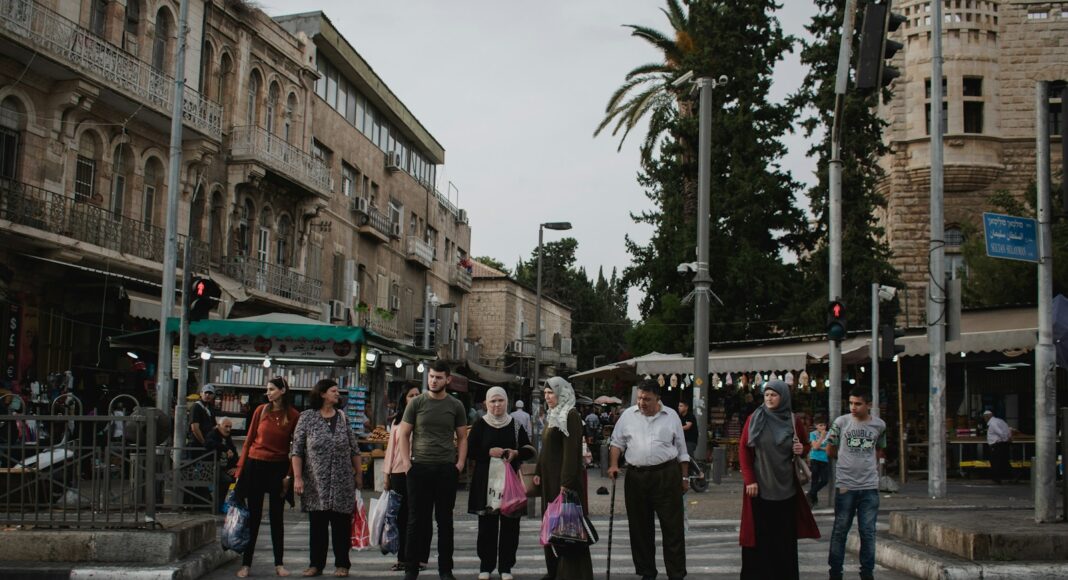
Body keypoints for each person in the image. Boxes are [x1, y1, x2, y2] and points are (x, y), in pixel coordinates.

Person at [393, 361, 468, 580]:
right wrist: (407, 464)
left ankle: (445, 570)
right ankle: (411, 569)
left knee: (445, 522)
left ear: (448, 380)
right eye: (431, 377)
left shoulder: (455, 405)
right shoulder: (416, 403)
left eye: (438, 377)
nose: (433, 380)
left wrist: (460, 464)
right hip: (419, 468)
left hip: (446, 469)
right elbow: (403, 435)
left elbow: (462, 437)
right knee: (416, 520)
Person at [738, 379, 820, 580]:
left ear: (783, 397)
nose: (769, 398)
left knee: (783, 541)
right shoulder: (754, 418)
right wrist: (750, 480)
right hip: (759, 488)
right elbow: (744, 451)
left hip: (786, 489)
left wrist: (802, 449)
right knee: (759, 540)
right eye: (766, 394)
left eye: (774, 394)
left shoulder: (793, 421)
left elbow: (805, 444)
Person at [608, 379, 689, 580]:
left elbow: (682, 450)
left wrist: (685, 476)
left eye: (647, 399)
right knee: (639, 527)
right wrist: (613, 464)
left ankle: (676, 573)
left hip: (666, 475)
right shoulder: (628, 415)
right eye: (639, 398)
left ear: (657, 398)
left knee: (673, 527)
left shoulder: (671, 416)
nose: (642, 402)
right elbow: (616, 443)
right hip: (636, 476)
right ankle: (647, 572)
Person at [291, 379, 362, 578]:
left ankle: (342, 564)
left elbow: (354, 448)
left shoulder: (342, 418)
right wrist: (297, 477)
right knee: (318, 526)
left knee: (341, 526)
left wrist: (359, 474)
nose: (337, 394)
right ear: (322, 394)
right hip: (315, 482)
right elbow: (297, 450)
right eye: (333, 390)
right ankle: (316, 564)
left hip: (342, 481)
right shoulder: (307, 418)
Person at [467, 387, 536, 580]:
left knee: (510, 527)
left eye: (500, 401)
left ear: (507, 402)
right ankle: (486, 566)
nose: (497, 405)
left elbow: (529, 449)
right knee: (487, 527)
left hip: (510, 484)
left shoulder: (514, 425)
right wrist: (488, 452)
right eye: (493, 401)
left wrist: (516, 453)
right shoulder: (480, 425)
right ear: (486, 404)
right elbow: (470, 451)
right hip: (486, 484)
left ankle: (506, 567)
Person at [234, 377, 300, 578]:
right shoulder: (261, 410)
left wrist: (289, 475)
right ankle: (246, 564)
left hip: (278, 468)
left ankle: (279, 564)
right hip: (255, 465)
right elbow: (248, 441)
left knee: (276, 517)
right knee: (253, 517)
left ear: (282, 390)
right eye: (267, 390)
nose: (268, 393)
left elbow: (296, 449)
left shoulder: (294, 415)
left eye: (272, 389)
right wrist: (239, 471)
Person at [532, 376, 594, 580]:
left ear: (562, 392)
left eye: (551, 393)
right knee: (552, 527)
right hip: (549, 481)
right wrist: (539, 472)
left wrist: (566, 484)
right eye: (546, 393)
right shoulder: (553, 414)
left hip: (563, 482)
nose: (548, 397)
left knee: (568, 529)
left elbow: (571, 452)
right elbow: (545, 448)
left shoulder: (570, 415)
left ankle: (571, 574)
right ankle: (554, 570)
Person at [827, 387, 887, 580]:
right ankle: (835, 573)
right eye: (851, 403)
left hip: (869, 487)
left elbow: (879, 451)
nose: (853, 407)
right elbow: (830, 449)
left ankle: (867, 574)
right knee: (840, 531)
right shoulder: (841, 422)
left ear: (868, 405)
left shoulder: (879, 425)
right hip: (845, 486)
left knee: (868, 532)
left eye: (858, 403)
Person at [383, 386, 422, 573]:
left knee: (416, 517)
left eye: (417, 395)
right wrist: (386, 475)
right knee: (399, 517)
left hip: (418, 472)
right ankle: (402, 558)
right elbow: (391, 449)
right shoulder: (397, 422)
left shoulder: (424, 419)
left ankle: (416, 558)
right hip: (398, 472)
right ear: (404, 399)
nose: (414, 398)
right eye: (411, 395)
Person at [206, 417, 239, 511]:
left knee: (240, 477)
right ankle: (218, 505)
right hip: (212, 467)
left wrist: (235, 467)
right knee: (226, 480)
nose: (228, 429)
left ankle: (234, 504)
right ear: (219, 426)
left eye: (230, 427)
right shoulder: (213, 434)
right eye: (226, 427)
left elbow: (234, 452)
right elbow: (208, 443)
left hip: (224, 467)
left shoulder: (227, 437)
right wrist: (225, 448)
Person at [806, 416, 831, 506]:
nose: (823, 427)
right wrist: (822, 438)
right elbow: (815, 447)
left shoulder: (829, 434)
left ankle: (810, 493)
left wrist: (818, 446)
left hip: (824, 459)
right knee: (814, 480)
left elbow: (828, 449)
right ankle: (813, 500)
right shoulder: (813, 434)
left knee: (825, 480)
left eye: (824, 425)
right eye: (820, 425)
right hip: (815, 459)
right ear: (816, 426)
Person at [983, 409, 1013, 483]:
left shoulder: (993, 424)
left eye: (984, 417)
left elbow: (1001, 433)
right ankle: (1013, 475)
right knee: (1004, 461)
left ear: (987, 417)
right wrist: (1008, 438)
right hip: (1003, 444)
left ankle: (997, 478)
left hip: (997, 445)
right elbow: (1008, 429)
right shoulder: (1000, 421)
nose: (984, 419)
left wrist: (1005, 439)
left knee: (995, 462)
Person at [189, 384, 218, 448]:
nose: (207, 395)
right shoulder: (196, 407)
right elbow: (194, 428)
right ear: (201, 393)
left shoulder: (211, 407)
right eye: (206, 393)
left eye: (210, 393)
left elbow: (213, 425)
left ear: (213, 395)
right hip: (196, 443)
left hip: (208, 441)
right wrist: (203, 442)